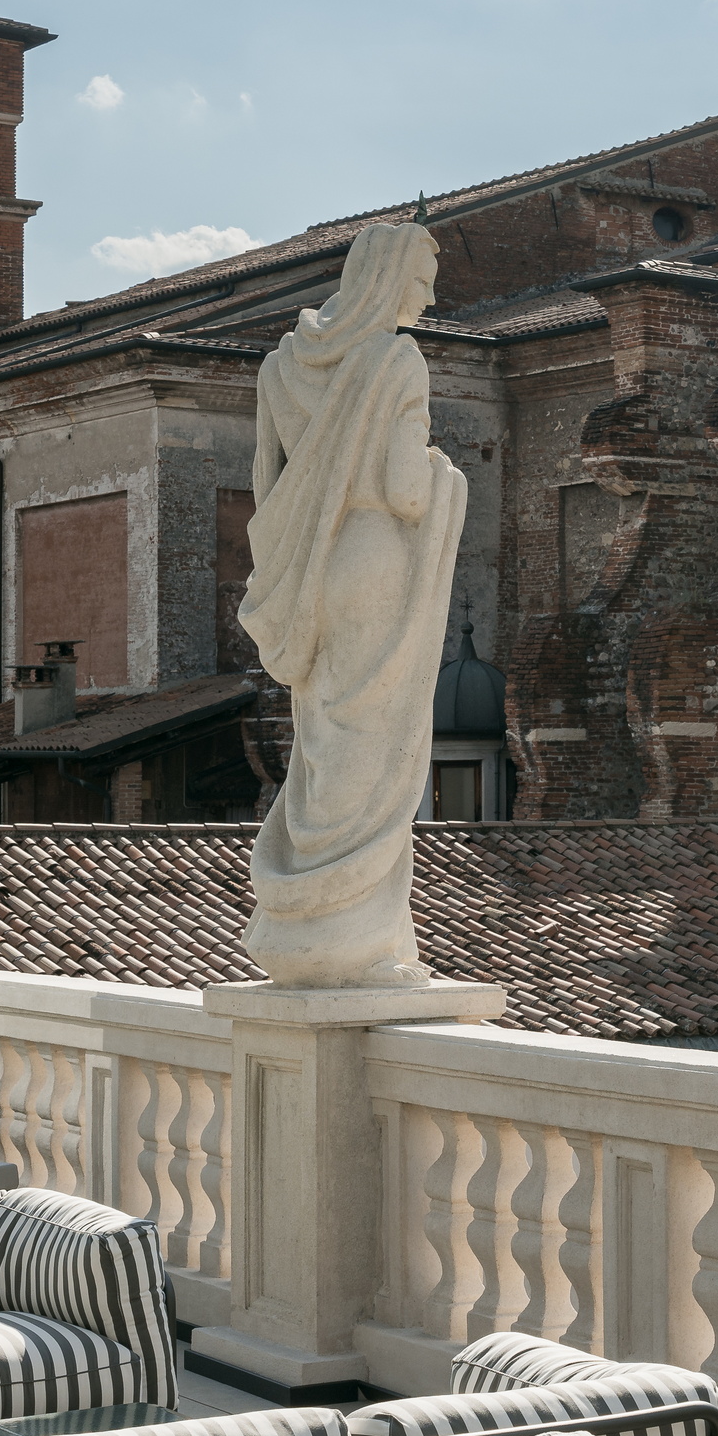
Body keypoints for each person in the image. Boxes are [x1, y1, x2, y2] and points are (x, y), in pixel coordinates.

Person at [238, 220, 467, 986]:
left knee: (326, 742)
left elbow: (267, 488)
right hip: (376, 561)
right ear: (390, 277)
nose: (431, 294)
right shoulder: (396, 359)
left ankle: (306, 919)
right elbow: (407, 489)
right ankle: (356, 939)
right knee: (376, 754)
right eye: (424, 276)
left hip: (316, 573)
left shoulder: (283, 366)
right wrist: (447, 479)